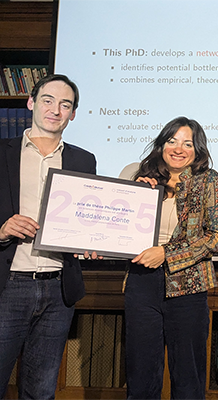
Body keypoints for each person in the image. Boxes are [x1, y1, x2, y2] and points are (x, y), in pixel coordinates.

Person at [0, 74, 97, 399]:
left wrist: (93, 240)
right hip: (8, 285)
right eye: (48, 100)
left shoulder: (83, 160)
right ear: (31, 103)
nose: (55, 110)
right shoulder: (2, 152)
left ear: (73, 114)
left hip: (58, 288)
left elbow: (88, 217)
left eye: (65, 104)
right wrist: (2, 230)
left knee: (41, 390)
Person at [124, 116, 218, 400]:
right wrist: (136, 196)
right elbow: (123, 232)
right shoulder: (144, 180)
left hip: (188, 285)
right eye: (172, 141)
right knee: (141, 376)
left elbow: (217, 237)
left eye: (187, 143)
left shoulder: (209, 181)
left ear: (198, 150)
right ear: (162, 145)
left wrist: (166, 254)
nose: (178, 149)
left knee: (187, 379)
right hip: (141, 283)